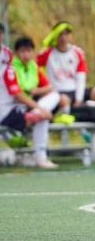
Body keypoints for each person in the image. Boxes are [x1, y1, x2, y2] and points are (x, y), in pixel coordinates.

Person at [36, 21, 95, 146]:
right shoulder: (48, 54)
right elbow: (35, 68)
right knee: (64, 99)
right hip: (59, 93)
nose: (64, 38)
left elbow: (81, 76)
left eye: (67, 34)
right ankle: (80, 133)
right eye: (61, 34)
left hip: (75, 90)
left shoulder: (77, 52)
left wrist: (79, 98)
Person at [0, 36, 61, 169]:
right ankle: (40, 157)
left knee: (54, 99)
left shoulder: (31, 66)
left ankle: (40, 157)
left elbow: (48, 87)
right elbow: (17, 94)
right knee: (41, 117)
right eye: (22, 51)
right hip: (6, 111)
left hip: (20, 107)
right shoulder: (10, 69)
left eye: (29, 51)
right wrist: (39, 109)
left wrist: (37, 99)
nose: (26, 55)